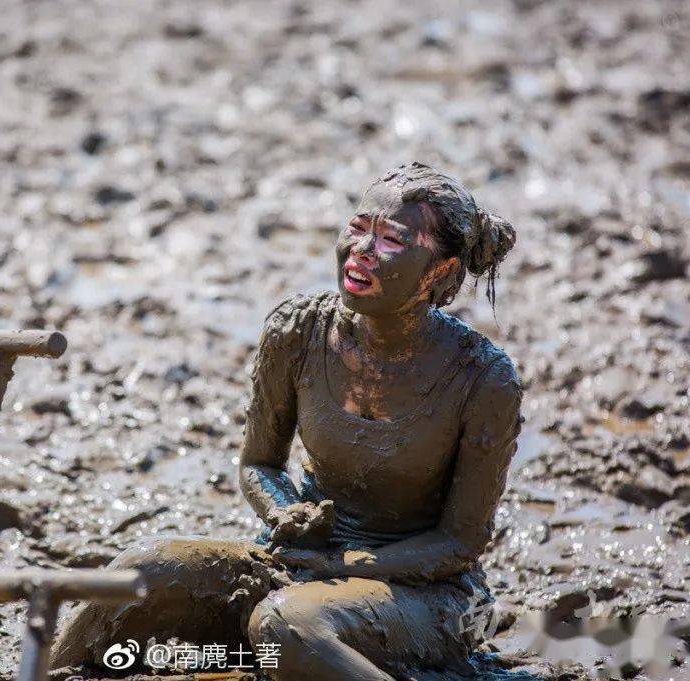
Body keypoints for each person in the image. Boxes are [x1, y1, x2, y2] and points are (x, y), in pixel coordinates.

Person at [49, 162, 523, 680]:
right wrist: (284, 515)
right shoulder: (297, 330)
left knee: (283, 625)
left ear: (443, 273)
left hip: (427, 597)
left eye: (390, 240)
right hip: (302, 562)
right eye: (358, 227)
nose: (361, 250)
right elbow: (259, 463)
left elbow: (460, 543)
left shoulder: (483, 377)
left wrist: (344, 568)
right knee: (143, 569)